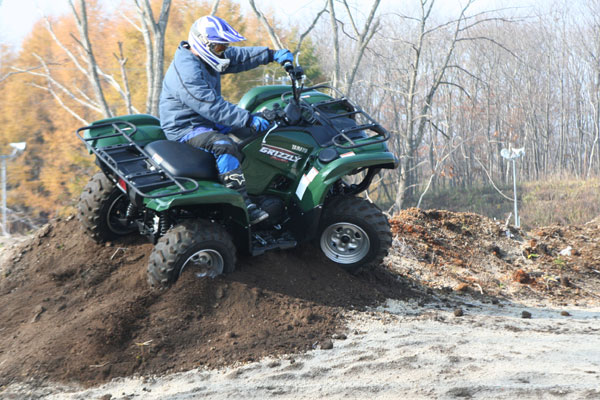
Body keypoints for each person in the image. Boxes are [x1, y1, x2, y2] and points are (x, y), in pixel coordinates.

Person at [159, 15, 293, 224]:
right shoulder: (187, 71)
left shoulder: (206, 57)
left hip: (205, 118)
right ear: (204, 44)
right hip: (186, 127)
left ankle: (260, 184)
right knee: (224, 145)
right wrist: (246, 118)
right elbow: (211, 106)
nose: (223, 51)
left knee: (259, 131)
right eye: (220, 47)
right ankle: (242, 203)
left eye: (224, 46)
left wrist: (271, 54)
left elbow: (238, 57)